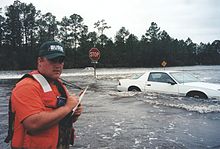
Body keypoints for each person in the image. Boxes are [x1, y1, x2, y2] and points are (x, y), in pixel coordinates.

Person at [8, 41, 82, 149]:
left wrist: (74, 114)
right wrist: (67, 107)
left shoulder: (59, 86)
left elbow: (62, 117)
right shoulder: (26, 87)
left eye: (60, 61)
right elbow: (33, 123)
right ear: (40, 61)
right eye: (52, 60)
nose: (57, 65)